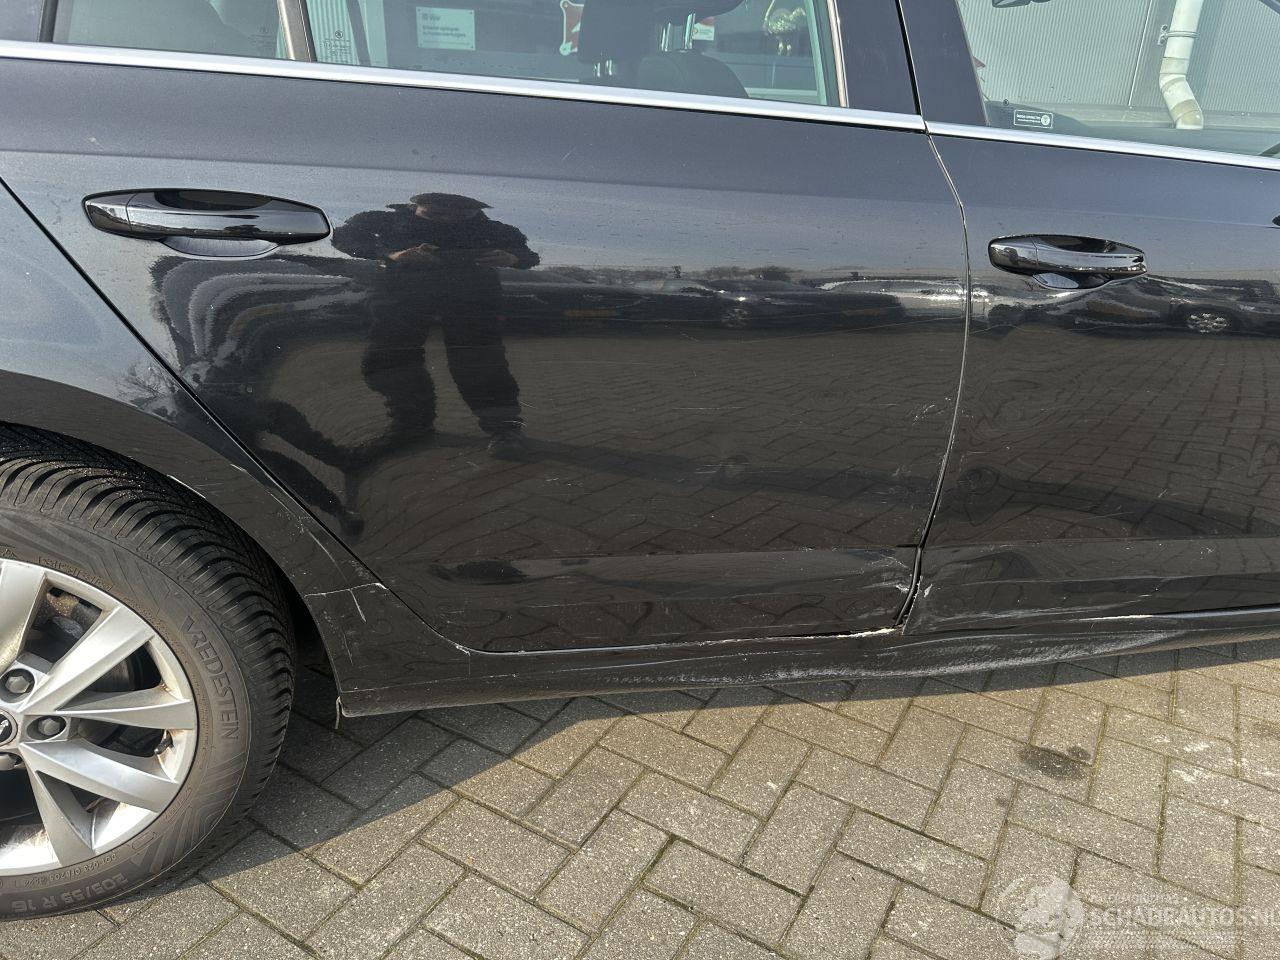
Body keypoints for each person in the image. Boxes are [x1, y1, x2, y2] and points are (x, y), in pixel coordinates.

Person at [332, 192, 539, 459]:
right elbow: (343, 237)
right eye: (436, 214)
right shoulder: (385, 221)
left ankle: (505, 430)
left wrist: (512, 258)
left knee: (480, 363)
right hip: (402, 297)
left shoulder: (495, 229)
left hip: (472, 300)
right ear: (415, 207)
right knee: (388, 359)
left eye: (460, 215)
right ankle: (411, 425)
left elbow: (528, 255)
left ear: (475, 212)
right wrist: (392, 254)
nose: (447, 220)